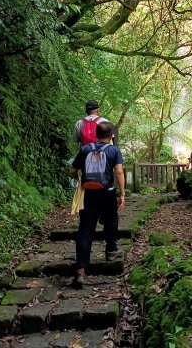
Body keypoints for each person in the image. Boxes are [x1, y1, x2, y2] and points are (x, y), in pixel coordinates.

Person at [70, 121, 126, 288]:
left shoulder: (86, 149)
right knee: (110, 221)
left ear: (96, 134)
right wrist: (122, 193)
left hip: (88, 194)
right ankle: (110, 251)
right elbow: (119, 171)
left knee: (85, 229)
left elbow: (73, 170)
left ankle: (81, 269)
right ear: (111, 136)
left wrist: (80, 181)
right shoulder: (114, 150)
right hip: (107, 192)